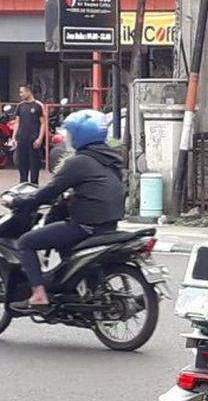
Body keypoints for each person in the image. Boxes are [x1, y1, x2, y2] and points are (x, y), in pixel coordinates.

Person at [8, 110, 125, 310]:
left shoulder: (78, 162)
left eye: (71, 134)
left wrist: (22, 201)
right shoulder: (110, 159)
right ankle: (73, 287)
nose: (68, 139)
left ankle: (38, 294)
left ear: (81, 135)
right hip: (109, 224)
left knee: (26, 242)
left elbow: (50, 191)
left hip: (86, 226)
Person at [11, 84, 46, 185]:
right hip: (22, 139)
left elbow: (43, 123)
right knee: (22, 165)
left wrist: (40, 139)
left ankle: (34, 187)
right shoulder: (20, 106)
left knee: (35, 165)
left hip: (34, 140)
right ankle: (22, 186)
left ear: (28, 91)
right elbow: (17, 122)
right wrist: (14, 138)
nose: (20, 94)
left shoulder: (38, 105)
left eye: (22, 92)